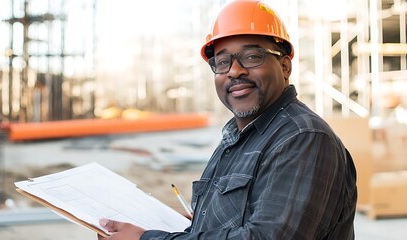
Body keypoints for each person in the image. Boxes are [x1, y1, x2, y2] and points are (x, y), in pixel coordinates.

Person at [97, 0, 357, 239]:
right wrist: (191, 228)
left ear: (285, 66)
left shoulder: (302, 137)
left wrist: (147, 239)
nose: (235, 71)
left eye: (252, 57)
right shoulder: (236, 138)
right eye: (222, 62)